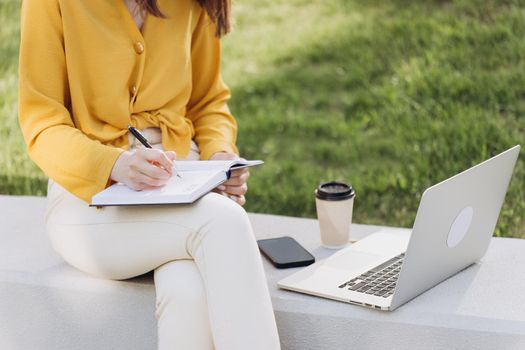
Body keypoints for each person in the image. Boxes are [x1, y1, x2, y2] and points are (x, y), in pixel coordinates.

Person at [17, 0, 281, 349]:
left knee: (187, 293)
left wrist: (220, 156)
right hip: (86, 194)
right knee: (224, 223)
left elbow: (207, 100)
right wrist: (113, 165)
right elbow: (42, 124)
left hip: (184, 179)